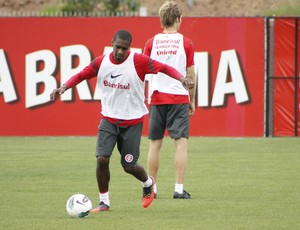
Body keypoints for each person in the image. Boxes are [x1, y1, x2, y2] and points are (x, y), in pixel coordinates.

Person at [50, 30, 194, 211]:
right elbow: (81, 75)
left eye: (124, 49)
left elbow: (163, 68)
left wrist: (181, 78)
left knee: (129, 165)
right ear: (112, 43)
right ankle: (104, 201)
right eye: (118, 47)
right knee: (102, 159)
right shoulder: (101, 62)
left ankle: (148, 182)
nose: (120, 51)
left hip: (132, 123)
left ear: (129, 48)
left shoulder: (138, 61)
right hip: (109, 120)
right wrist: (63, 87)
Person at [143, 1, 196, 199]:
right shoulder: (186, 42)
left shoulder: (151, 42)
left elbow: (142, 69)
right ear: (177, 19)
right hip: (178, 97)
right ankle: (179, 189)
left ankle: (152, 188)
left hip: (157, 96)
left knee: (154, 144)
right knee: (181, 144)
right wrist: (192, 99)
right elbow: (190, 74)